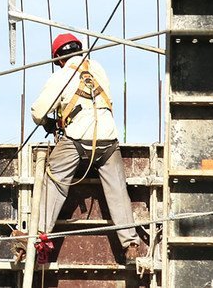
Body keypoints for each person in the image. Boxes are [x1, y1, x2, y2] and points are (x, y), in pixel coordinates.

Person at [28, 33, 144, 262]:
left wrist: (49, 123)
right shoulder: (98, 69)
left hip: (77, 138)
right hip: (108, 139)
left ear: (58, 59)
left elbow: (37, 111)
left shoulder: (62, 74)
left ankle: (39, 236)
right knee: (118, 190)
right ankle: (130, 243)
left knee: (55, 181)